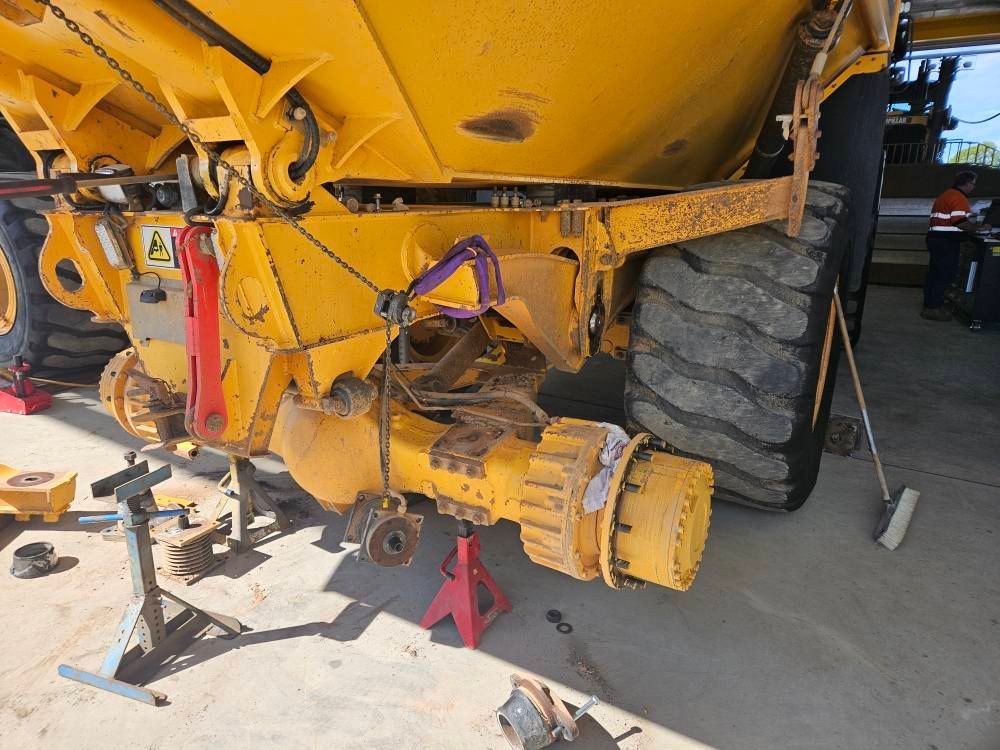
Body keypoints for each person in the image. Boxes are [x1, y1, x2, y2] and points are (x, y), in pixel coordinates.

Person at [922, 170, 991, 321]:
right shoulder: (959, 198)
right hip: (946, 242)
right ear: (967, 183)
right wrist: (979, 227)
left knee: (935, 273)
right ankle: (933, 308)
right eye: (973, 184)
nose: (973, 187)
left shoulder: (946, 195)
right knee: (944, 274)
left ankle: (930, 304)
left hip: (936, 239)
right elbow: (959, 222)